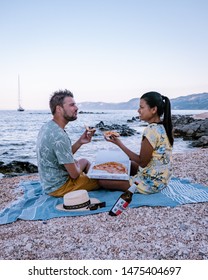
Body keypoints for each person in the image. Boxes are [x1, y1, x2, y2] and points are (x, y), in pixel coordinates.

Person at [100, 91, 174, 194]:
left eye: (142, 107)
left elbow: (142, 163)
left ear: (153, 109)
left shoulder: (151, 130)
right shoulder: (163, 127)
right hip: (162, 180)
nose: (138, 111)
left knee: (102, 181)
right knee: (126, 165)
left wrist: (119, 144)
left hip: (151, 183)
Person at [36, 89, 99, 197]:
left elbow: (61, 155)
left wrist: (80, 142)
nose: (76, 108)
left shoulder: (47, 127)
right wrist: (78, 165)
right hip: (60, 187)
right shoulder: (59, 135)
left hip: (48, 184)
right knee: (101, 179)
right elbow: (74, 175)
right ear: (59, 109)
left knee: (84, 161)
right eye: (72, 105)